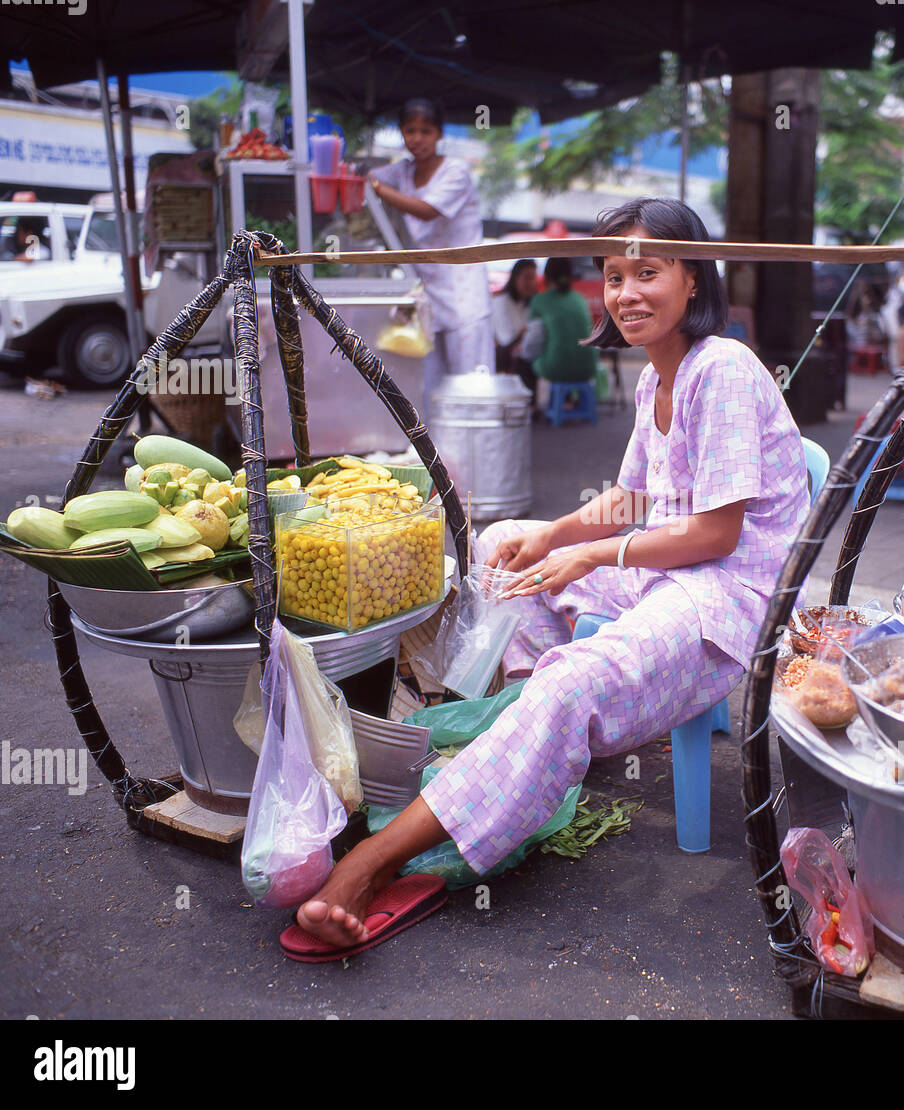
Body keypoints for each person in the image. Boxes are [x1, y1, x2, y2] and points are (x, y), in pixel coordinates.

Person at [289, 197, 810, 954]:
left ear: (694, 278)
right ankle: (533, 757)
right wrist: (549, 536)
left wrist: (593, 554)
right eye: (613, 275)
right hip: (668, 574)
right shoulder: (652, 379)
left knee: (569, 682)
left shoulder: (721, 368)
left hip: (728, 598)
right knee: (502, 551)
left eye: (649, 272)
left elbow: (716, 532)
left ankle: (372, 864)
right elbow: (633, 497)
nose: (626, 292)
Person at [368, 98, 494, 405]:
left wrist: (379, 190)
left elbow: (427, 210)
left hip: (465, 290)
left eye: (425, 131)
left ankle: (477, 451)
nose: (417, 138)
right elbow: (364, 172)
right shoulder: (403, 172)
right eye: (410, 131)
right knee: (430, 385)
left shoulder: (457, 171)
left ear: (439, 134)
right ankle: (437, 452)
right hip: (430, 289)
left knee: (470, 384)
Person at [529, 257, 599, 402]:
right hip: (589, 368)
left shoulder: (539, 301)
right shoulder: (579, 299)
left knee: (526, 359)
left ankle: (532, 407)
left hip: (556, 369)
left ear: (546, 276)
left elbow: (533, 341)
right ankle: (569, 402)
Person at [492, 258, 538, 402]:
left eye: (533, 278)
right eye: (526, 278)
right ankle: (527, 404)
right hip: (502, 353)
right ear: (515, 278)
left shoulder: (533, 303)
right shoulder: (500, 301)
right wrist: (525, 331)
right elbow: (505, 337)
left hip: (523, 348)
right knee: (524, 357)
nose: (531, 283)